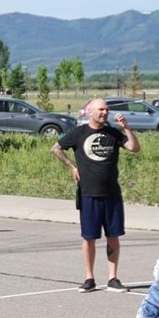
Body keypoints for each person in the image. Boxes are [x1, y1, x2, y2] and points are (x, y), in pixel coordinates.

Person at [51, 98, 140, 292]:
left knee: (113, 236)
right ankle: (89, 278)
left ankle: (113, 278)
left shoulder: (113, 133)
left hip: (112, 194)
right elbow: (56, 148)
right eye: (101, 109)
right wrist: (72, 166)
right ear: (90, 112)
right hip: (89, 193)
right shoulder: (79, 133)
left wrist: (126, 128)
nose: (104, 113)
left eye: (106, 110)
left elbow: (134, 148)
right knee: (89, 237)